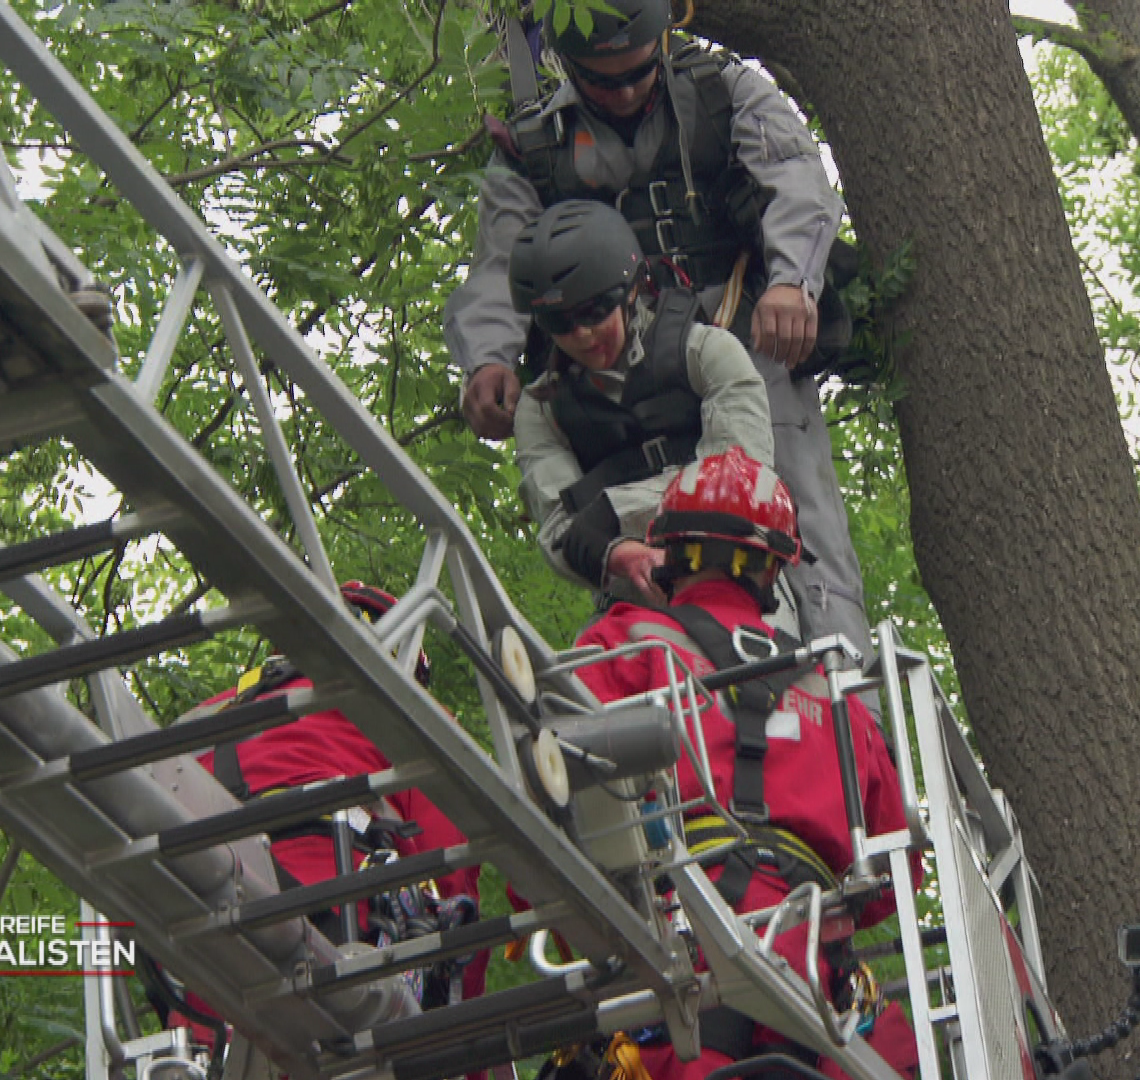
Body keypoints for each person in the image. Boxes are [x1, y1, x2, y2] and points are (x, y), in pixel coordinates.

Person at [443, 0, 875, 664]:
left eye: (637, 74)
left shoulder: (722, 89)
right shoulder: (536, 145)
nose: (622, 93)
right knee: (626, 548)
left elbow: (799, 180)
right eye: (602, 80)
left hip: (739, 333)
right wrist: (488, 360)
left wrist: (793, 282)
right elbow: (501, 259)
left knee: (796, 515)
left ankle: (843, 700)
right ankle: (667, 700)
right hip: (615, 372)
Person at [568, 448, 918, 1080]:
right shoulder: (837, 693)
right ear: (773, 571)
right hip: (818, 975)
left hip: (683, 953)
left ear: (667, 553)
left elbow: (562, 797)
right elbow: (899, 871)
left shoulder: (622, 645)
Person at [160, 582, 488, 1055]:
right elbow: (454, 870)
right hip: (339, 946)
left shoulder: (208, 719)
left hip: (205, 971)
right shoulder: (408, 717)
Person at [508, 199, 783, 622]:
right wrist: (617, 555)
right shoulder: (541, 409)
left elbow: (738, 487)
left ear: (632, 288)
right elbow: (560, 532)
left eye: (593, 310)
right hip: (629, 606)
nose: (581, 334)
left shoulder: (708, 352)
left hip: (740, 591)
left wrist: (609, 515)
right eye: (560, 323)